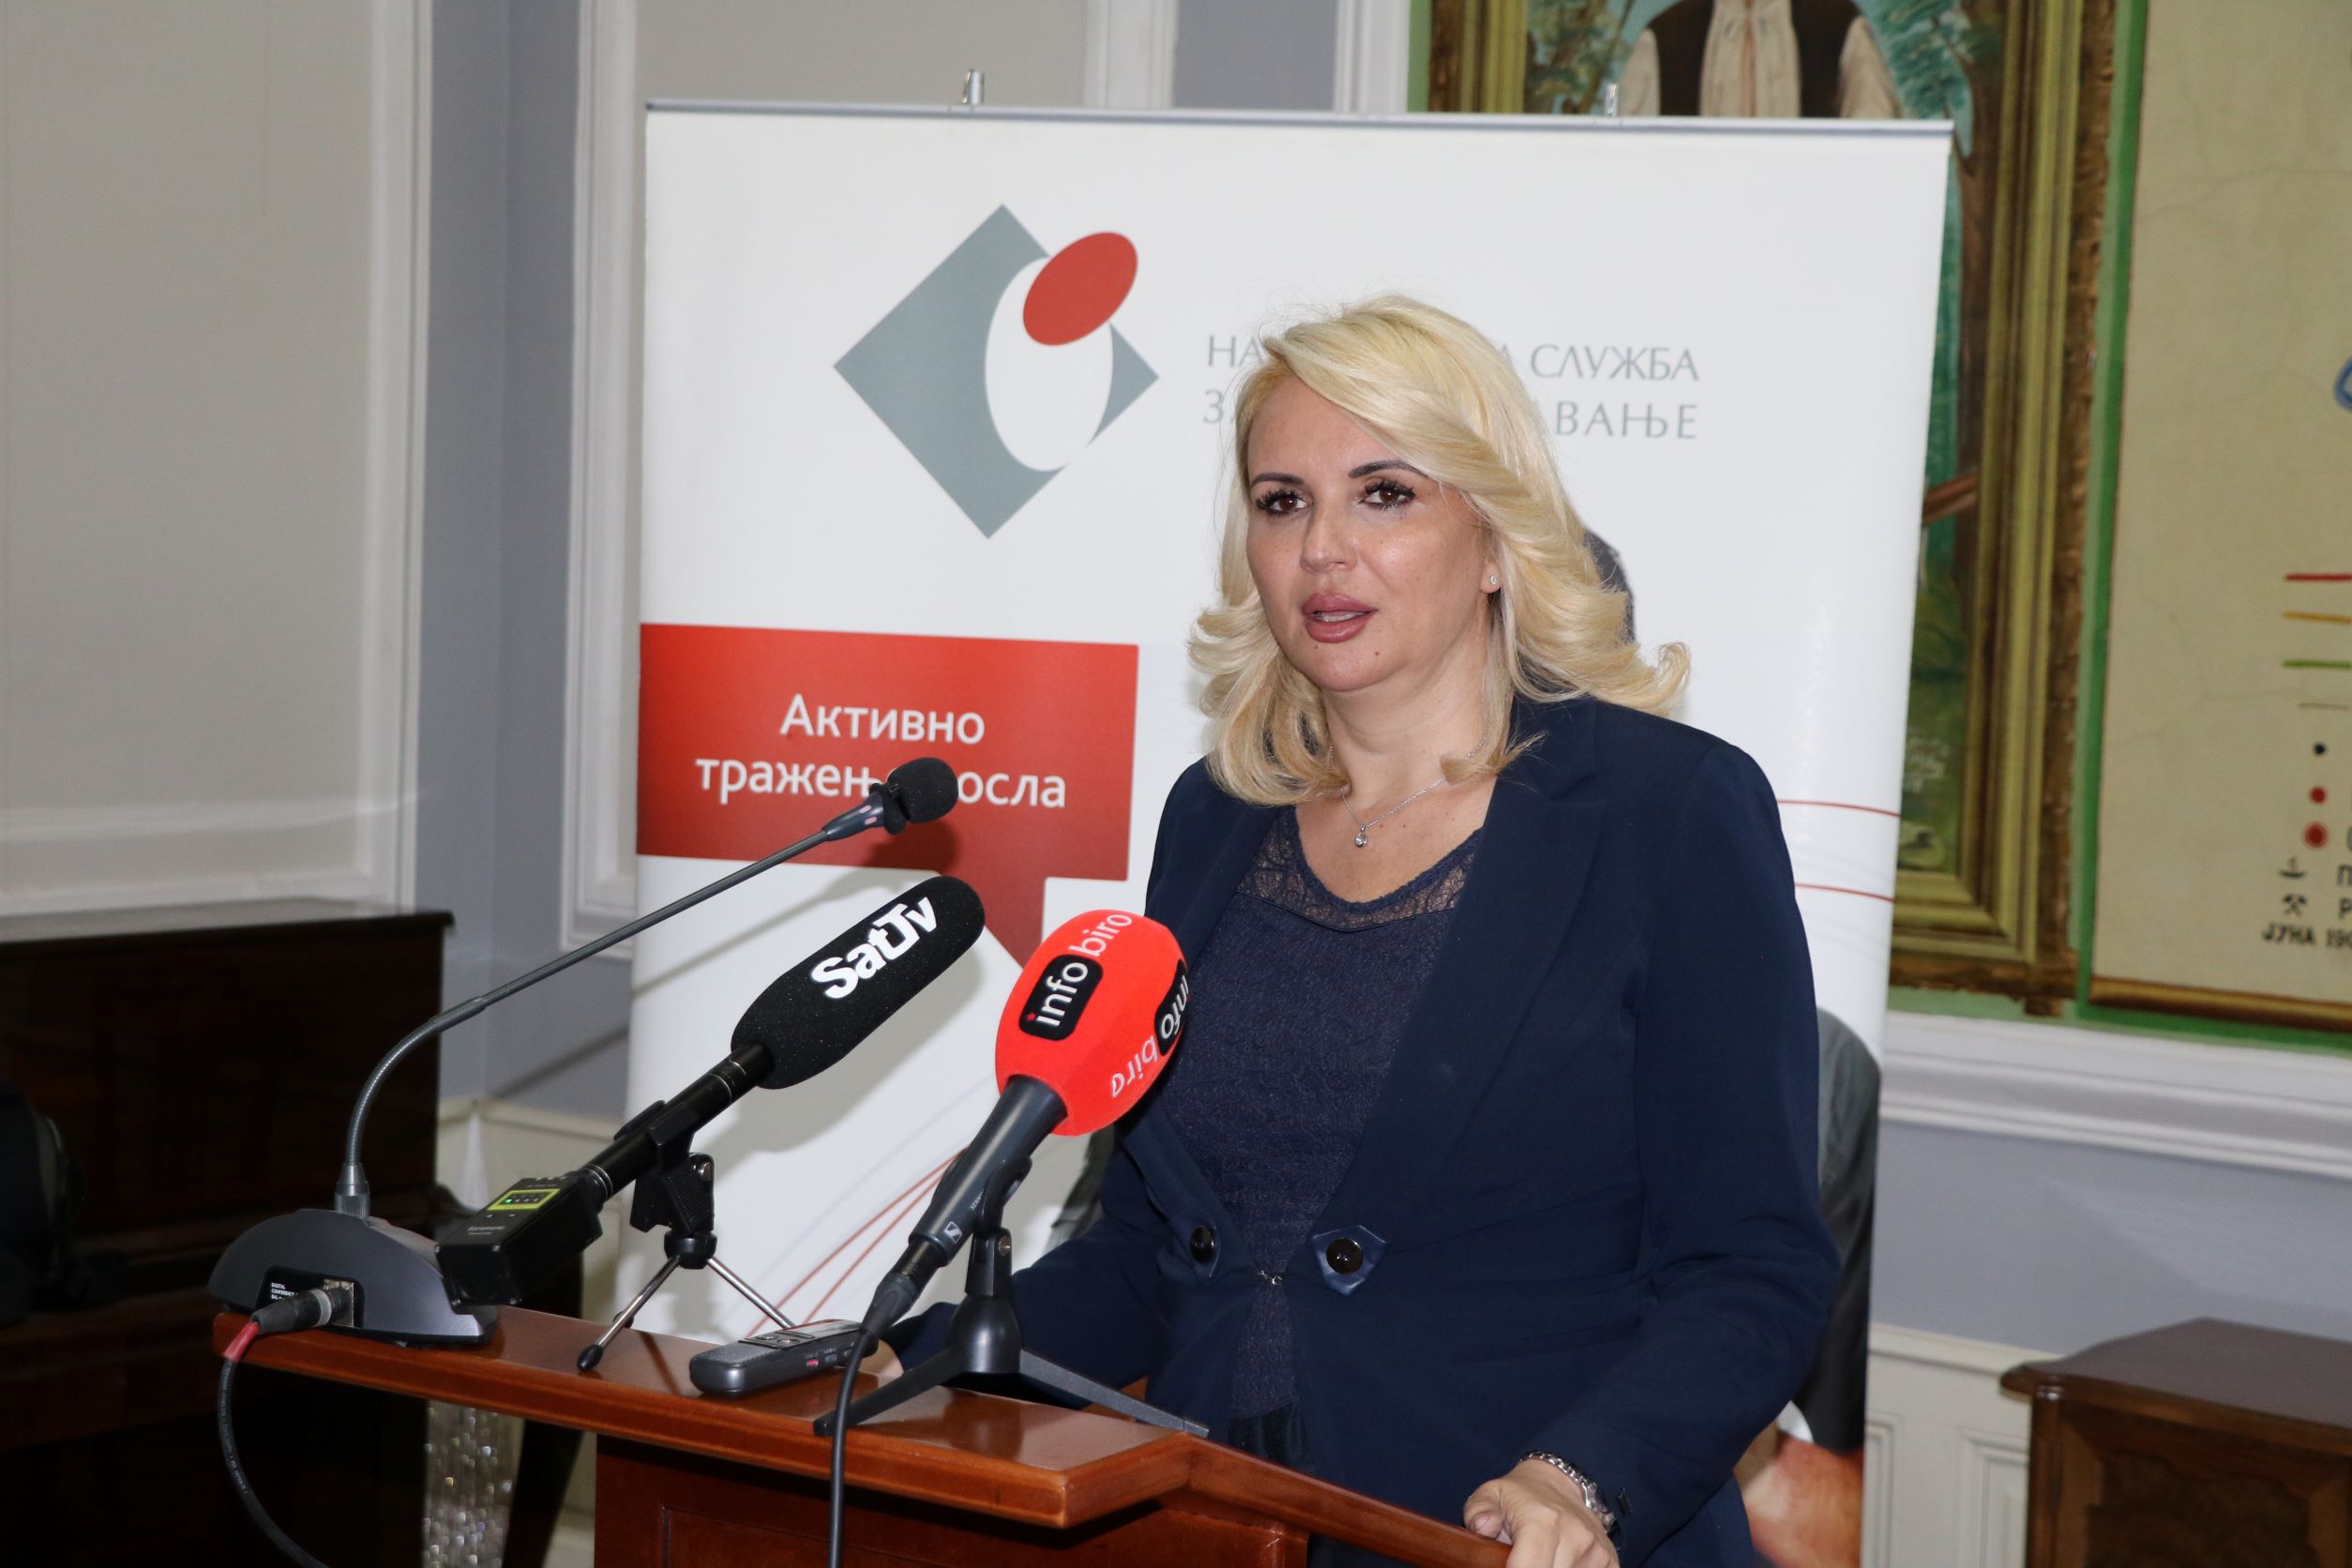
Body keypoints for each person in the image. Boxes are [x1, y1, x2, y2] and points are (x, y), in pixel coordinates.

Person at [882, 296, 1835, 1567]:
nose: (1322, 548)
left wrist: (1581, 1479)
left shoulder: (1669, 813)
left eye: (1384, 495)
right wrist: (910, 1362)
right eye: (1282, 503)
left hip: (1514, 1533)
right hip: (1219, 1521)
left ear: (1494, 539)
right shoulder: (1216, 816)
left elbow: (1752, 1265)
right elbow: (1154, 1252)